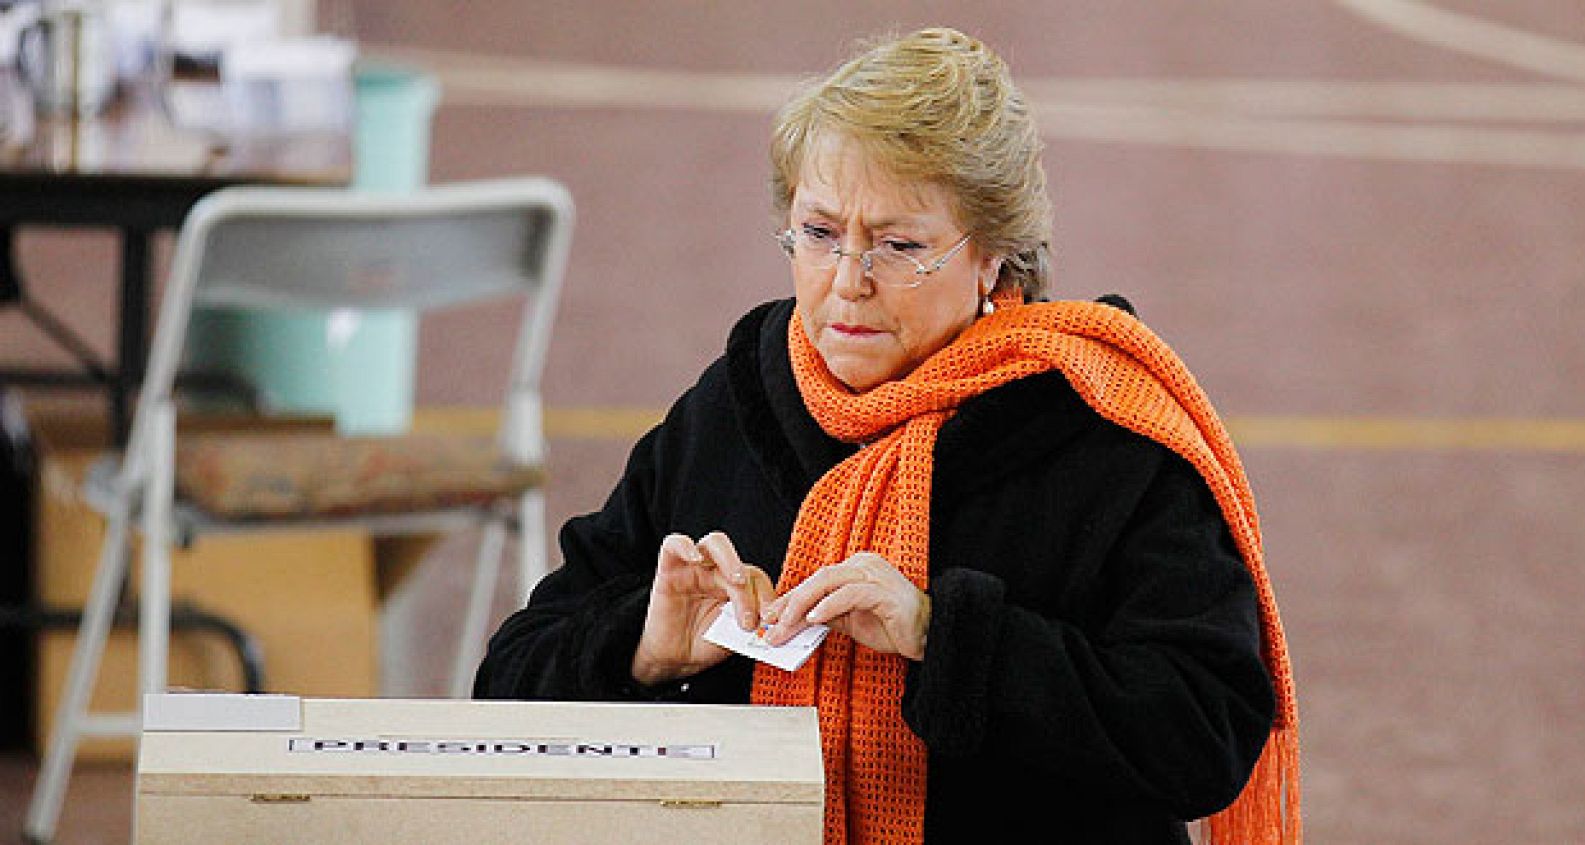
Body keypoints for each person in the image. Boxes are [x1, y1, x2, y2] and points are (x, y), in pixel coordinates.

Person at [476, 26, 1299, 844]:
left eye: (900, 245)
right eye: (821, 234)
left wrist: (943, 634)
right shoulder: (736, 403)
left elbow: (1207, 732)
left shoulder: (1100, 430)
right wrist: (641, 648)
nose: (847, 282)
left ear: (994, 258)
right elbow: (509, 680)